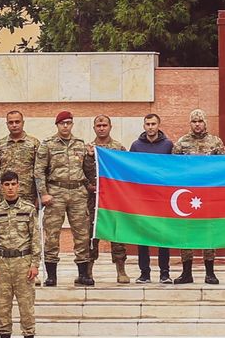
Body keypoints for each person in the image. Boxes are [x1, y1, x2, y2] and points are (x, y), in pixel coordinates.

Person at [37, 110, 97, 286]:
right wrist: (44, 193)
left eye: (69, 123)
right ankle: (51, 275)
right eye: (62, 123)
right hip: (56, 191)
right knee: (52, 234)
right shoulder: (47, 144)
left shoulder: (80, 144)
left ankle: (83, 274)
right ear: (57, 125)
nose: (65, 126)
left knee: (82, 234)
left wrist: (91, 157)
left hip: (78, 192)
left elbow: (87, 170)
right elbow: (39, 171)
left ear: (72, 124)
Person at [0, 170, 41, 338]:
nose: (10, 188)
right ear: (1, 187)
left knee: (26, 305)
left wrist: (35, 264)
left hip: (23, 263)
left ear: (19, 186)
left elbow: (35, 237)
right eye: (6, 184)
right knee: (3, 306)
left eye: (13, 184)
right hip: (2, 264)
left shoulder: (28, 209)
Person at [174, 110, 225, 284]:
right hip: (187, 195)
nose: (197, 124)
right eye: (194, 121)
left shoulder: (216, 142)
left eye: (200, 121)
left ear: (205, 123)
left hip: (208, 194)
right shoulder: (181, 143)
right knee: (186, 233)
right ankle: (186, 273)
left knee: (208, 232)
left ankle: (210, 273)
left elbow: (224, 167)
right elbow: (173, 168)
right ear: (190, 123)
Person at [130, 112, 175, 282]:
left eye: (153, 124)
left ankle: (165, 273)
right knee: (143, 236)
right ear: (144, 126)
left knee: (163, 236)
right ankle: (144, 273)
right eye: (147, 124)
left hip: (162, 197)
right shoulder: (136, 146)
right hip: (142, 198)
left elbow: (174, 169)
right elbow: (129, 168)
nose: (150, 127)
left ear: (158, 125)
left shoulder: (168, 145)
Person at [90, 115, 131, 283]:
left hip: (114, 200)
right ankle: (87, 271)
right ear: (94, 128)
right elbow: (81, 173)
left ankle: (121, 270)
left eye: (104, 125)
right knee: (90, 235)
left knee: (117, 233)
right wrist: (88, 185)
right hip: (92, 200)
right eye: (98, 125)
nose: (101, 128)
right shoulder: (88, 148)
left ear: (110, 127)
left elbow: (125, 172)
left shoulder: (118, 149)